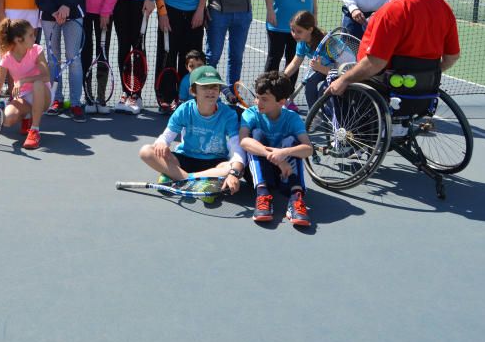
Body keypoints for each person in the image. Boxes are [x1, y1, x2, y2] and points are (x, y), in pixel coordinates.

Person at [328, 0, 461, 109]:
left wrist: (344, 80)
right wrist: (425, 74)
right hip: (425, 89)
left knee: (336, 77)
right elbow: (452, 57)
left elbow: (375, 63)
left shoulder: (391, 10)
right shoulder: (443, 7)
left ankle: (349, 131)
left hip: (386, 87)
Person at [137, 65, 244, 194]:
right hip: (185, 158)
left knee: (231, 168)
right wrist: (161, 143)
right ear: (193, 91)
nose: (211, 91)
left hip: (215, 162)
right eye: (205, 87)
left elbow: (236, 146)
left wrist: (234, 171)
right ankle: (195, 180)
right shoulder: (184, 110)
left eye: (215, 87)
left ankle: (180, 177)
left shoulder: (228, 114)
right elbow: (166, 136)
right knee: (146, 151)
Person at [239, 71, 313, 227]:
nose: (258, 102)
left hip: (285, 174)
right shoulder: (250, 113)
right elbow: (244, 141)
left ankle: (295, 197)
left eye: (264, 99)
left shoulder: (292, 118)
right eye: (257, 97)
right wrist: (275, 158)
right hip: (258, 171)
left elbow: (308, 149)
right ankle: (262, 194)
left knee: (292, 142)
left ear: (281, 102)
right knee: (256, 135)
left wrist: (284, 153)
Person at [0, 18, 52, 150]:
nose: (34, 38)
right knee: (7, 119)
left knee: (37, 83)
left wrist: (23, 81)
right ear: (18, 40)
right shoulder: (6, 59)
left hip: (43, 95)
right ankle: (27, 116)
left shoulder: (37, 50)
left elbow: (46, 76)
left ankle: (34, 130)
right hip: (24, 98)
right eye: (31, 35)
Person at [284, 11, 353, 109]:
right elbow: (295, 63)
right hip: (324, 69)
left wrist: (320, 68)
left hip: (343, 70)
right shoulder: (302, 43)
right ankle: (314, 116)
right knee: (310, 85)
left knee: (324, 91)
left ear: (310, 29)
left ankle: (331, 119)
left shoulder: (330, 43)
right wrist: (283, 76)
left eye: (299, 31)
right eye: (292, 30)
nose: (294, 34)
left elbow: (343, 70)